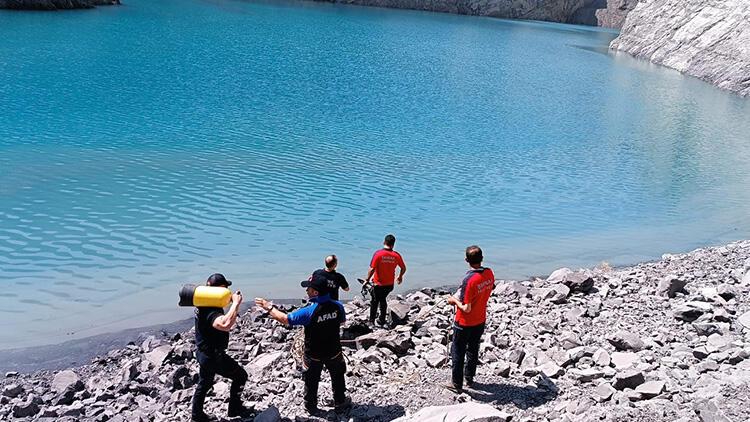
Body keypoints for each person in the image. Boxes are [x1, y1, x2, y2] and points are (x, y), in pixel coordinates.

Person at [254, 276, 352, 414]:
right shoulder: (338, 306)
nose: (307, 290)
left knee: (311, 380)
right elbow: (341, 323)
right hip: (334, 351)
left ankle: (311, 406)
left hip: (314, 354)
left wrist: (268, 306)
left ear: (315, 293)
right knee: (337, 377)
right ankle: (340, 402)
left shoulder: (308, 311)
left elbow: (285, 319)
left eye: (309, 288)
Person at [191, 273, 250, 422]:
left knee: (204, 383)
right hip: (213, 356)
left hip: (203, 352)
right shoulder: (210, 309)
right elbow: (224, 324)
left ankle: (196, 416)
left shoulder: (202, 303)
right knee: (240, 376)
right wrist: (236, 304)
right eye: (225, 288)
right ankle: (234, 408)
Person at [444, 246, 495, 394]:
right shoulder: (489, 273)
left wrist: (454, 301)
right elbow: (489, 288)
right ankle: (469, 377)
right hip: (480, 319)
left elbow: (466, 308)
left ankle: (456, 383)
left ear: (466, 260)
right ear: (482, 258)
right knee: (473, 349)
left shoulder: (469, 280)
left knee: (458, 351)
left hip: (464, 322)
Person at [365, 234, 406, 326]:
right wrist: (400, 277)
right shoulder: (396, 255)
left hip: (378, 284)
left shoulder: (378, 254)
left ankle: (371, 321)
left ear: (384, 242)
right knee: (382, 299)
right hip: (389, 285)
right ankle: (382, 320)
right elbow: (403, 268)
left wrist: (367, 280)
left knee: (375, 301)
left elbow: (372, 269)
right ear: (393, 244)